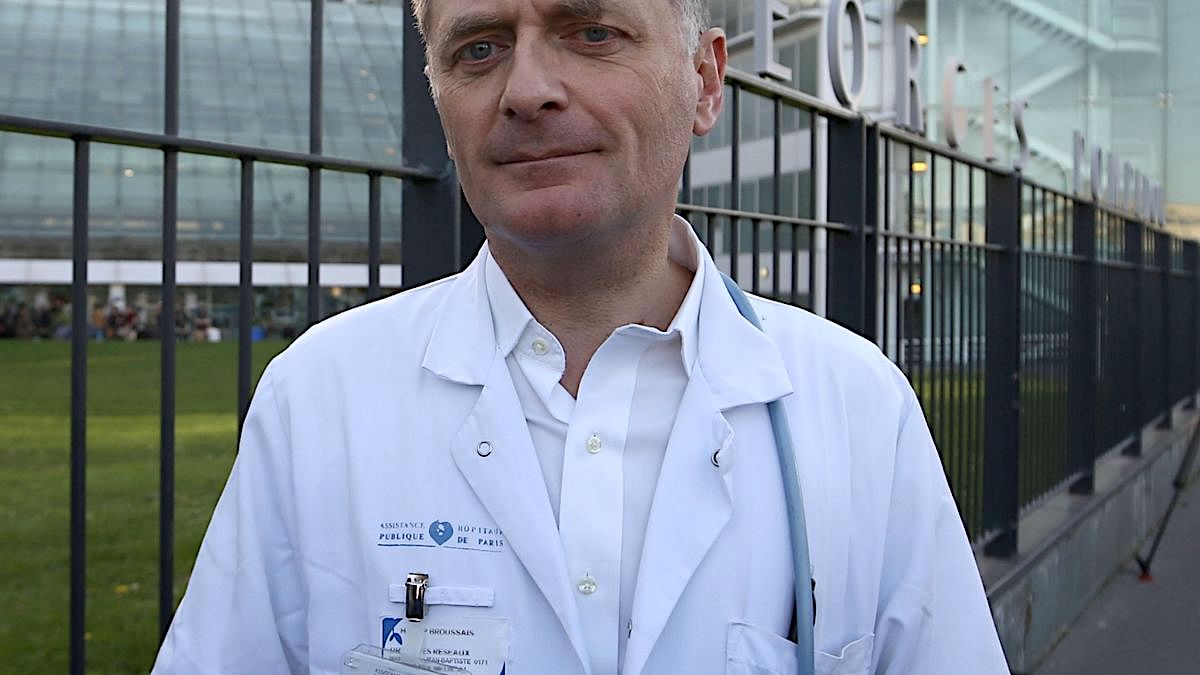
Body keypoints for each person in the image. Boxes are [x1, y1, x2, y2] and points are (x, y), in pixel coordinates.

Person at [153, 1, 1009, 673]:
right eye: (478, 49)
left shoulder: (858, 406)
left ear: (706, 81)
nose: (527, 90)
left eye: (591, 32)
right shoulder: (319, 397)